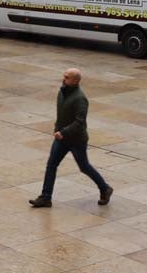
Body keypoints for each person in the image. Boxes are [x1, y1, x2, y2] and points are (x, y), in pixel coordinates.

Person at [30, 68, 113, 208]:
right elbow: (60, 114)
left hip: (76, 140)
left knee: (84, 167)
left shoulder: (80, 98)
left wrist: (63, 132)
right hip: (61, 138)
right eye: (64, 76)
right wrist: (57, 129)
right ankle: (45, 197)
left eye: (67, 77)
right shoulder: (62, 92)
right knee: (51, 165)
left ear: (75, 80)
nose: (64, 78)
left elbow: (80, 122)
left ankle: (105, 188)